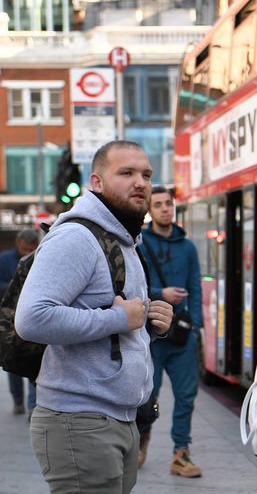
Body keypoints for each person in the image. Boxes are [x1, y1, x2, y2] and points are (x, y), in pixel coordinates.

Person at [15, 140, 173, 494]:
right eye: (126, 173)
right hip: (80, 420)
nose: (140, 182)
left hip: (119, 418)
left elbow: (119, 317)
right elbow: (31, 319)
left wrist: (149, 322)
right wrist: (119, 319)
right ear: (96, 182)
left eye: (146, 174)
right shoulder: (76, 237)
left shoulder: (126, 241)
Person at [137, 185, 203, 477]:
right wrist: (160, 291)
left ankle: (181, 453)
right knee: (147, 394)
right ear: (150, 210)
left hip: (182, 334)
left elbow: (196, 286)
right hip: (150, 334)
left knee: (186, 395)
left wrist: (196, 325)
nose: (165, 208)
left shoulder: (188, 247)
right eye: (159, 204)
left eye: (168, 204)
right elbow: (133, 288)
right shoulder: (139, 244)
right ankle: (141, 440)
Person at [0, 228, 39, 415]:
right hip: (9, 320)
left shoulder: (41, 257)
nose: (28, 252)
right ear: (18, 244)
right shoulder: (4, 260)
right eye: (25, 248)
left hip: (34, 319)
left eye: (32, 248)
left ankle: (33, 404)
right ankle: (17, 400)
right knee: (13, 362)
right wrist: (14, 284)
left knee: (36, 362)